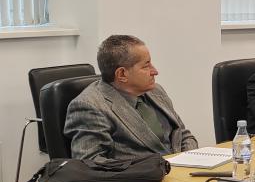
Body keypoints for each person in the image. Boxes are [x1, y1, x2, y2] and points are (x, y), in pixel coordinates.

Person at [65, 35, 198, 160]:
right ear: (122, 74)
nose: (155, 71)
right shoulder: (90, 106)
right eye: (146, 65)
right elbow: (91, 162)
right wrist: (160, 168)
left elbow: (183, 135)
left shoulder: (156, 91)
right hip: (143, 176)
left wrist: (188, 161)